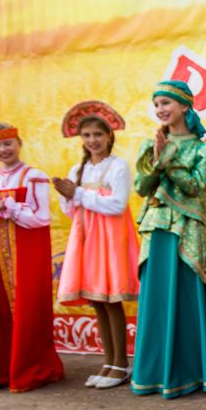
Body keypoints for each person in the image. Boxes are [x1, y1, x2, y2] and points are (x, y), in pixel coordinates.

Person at [131, 80, 206, 398]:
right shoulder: (149, 145)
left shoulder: (203, 148)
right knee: (160, 300)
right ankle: (157, 375)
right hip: (159, 231)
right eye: (157, 104)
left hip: (190, 234)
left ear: (185, 107)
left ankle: (202, 372)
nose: (161, 110)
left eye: (166, 103)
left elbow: (194, 185)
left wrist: (167, 161)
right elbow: (141, 187)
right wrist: (157, 158)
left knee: (191, 300)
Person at [0, 122, 64, 392]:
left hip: (28, 253)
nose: (3, 149)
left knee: (30, 307)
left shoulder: (33, 176)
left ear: (19, 143)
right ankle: (0, 369)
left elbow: (41, 218)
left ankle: (31, 367)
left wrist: (8, 207)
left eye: (7, 143)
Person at [53, 101, 139, 389]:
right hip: (86, 238)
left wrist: (76, 193)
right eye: (87, 135)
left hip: (110, 239)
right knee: (96, 301)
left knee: (111, 300)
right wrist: (67, 196)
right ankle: (107, 362)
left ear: (109, 136)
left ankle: (121, 364)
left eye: (98, 135)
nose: (93, 140)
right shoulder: (78, 168)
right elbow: (71, 211)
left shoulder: (118, 166)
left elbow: (116, 205)